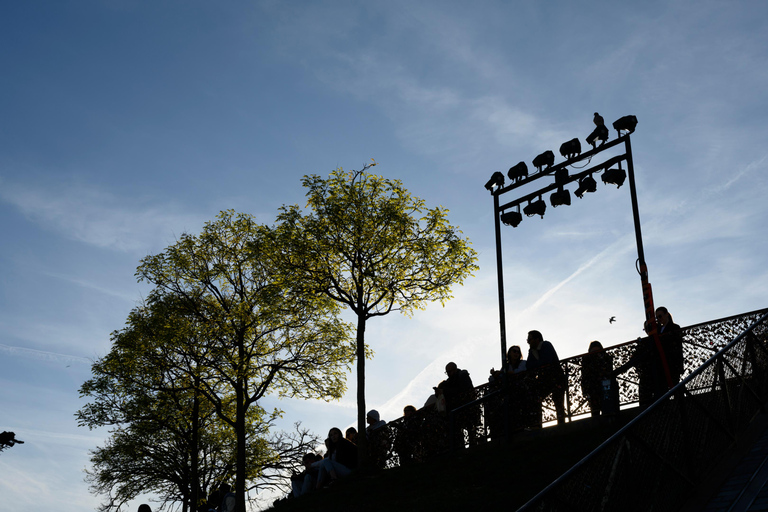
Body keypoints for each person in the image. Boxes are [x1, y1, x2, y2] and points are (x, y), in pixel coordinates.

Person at [525, 330, 567, 425]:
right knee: (536, 399)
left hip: (557, 379)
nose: (528, 342)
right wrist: (538, 364)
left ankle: (561, 424)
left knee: (558, 400)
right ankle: (538, 424)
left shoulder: (546, 345)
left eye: (529, 339)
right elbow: (528, 365)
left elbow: (546, 361)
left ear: (537, 339)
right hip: (544, 380)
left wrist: (536, 365)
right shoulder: (532, 351)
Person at [440, 362, 479, 446]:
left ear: (455, 369)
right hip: (458, 410)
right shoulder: (449, 381)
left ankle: (472, 444)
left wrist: (445, 391)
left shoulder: (462, 375)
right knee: (459, 431)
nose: (448, 374)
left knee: (470, 429)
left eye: (450, 371)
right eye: (447, 372)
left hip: (467, 407)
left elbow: (461, 389)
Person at [581, 341, 615, 417]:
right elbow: (585, 375)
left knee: (606, 409)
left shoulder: (605, 357)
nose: (595, 353)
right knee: (595, 411)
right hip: (593, 388)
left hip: (604, 387)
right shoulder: (587, 359)